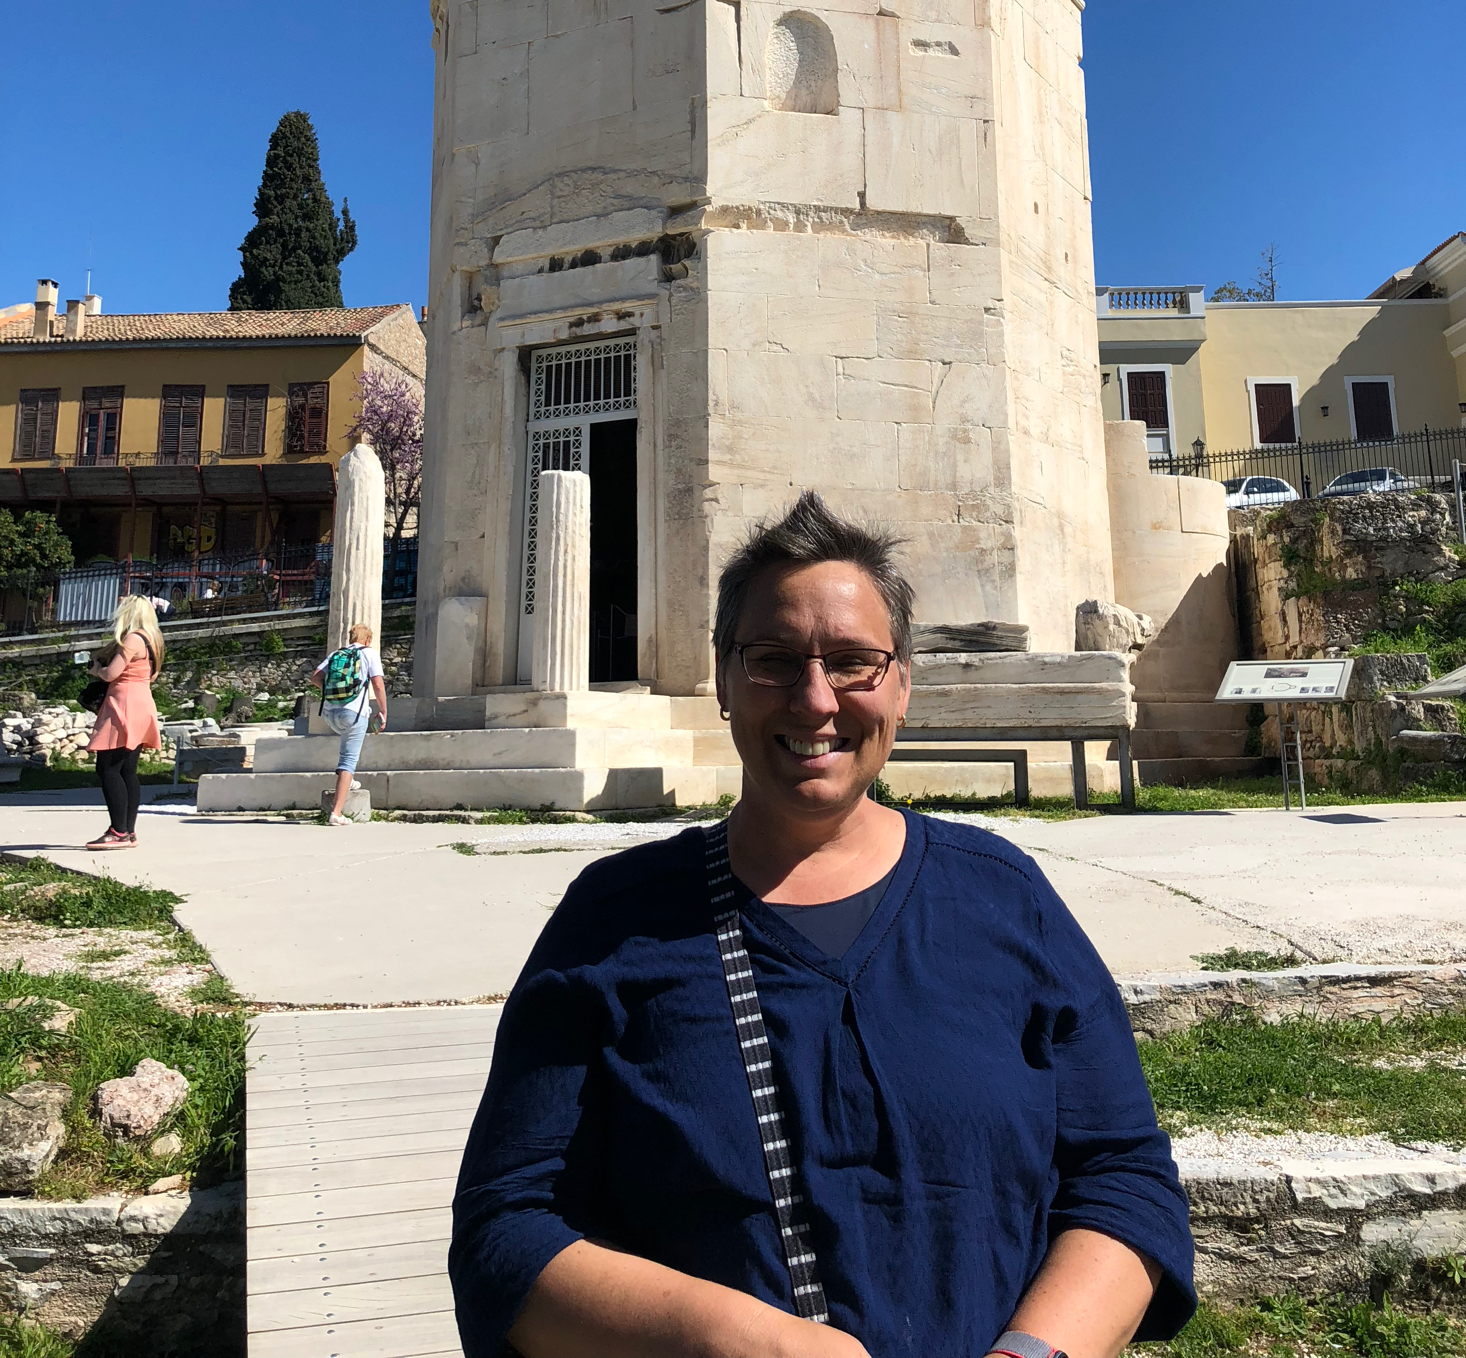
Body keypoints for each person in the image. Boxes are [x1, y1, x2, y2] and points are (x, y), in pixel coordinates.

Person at [451, 492, 1195, 1358]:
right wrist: (737, 1341)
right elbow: (503, 1232)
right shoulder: (613, 923)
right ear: (724, 681)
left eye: (852, 661)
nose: (814, 700)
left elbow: (1126, 1180)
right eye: (773, 660)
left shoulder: (1005, 899)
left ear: (903, 685)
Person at [86, 594, 164, 851]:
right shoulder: (153, 639)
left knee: (107, 767)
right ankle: (129, 831)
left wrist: (96, 669)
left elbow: (111, 674)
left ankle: (117, 830)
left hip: (123, 705)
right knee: (127, 771)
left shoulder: (131, 639)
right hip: (143, 702)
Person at [308, 622, 386, 826]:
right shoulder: (369, 653)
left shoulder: (337, 654)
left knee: (345, 753)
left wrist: (335, 693)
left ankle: (347, 782)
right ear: (368, 640)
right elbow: (377, 684)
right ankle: (336, 812)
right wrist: (383, 711)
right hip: (354, 713)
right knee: (348, 761)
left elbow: (315, 677)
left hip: (330, 714)